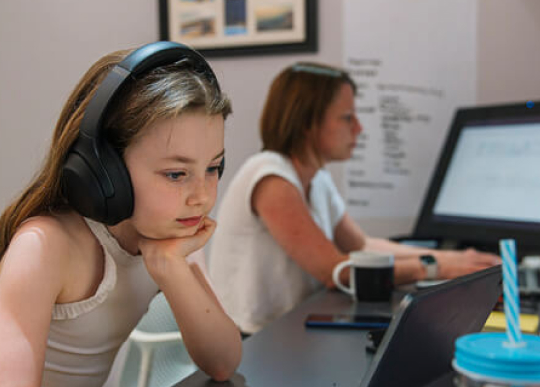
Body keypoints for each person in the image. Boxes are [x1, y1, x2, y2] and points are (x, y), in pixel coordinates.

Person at [0, 42, 253, 387]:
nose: (201, 195)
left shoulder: (170, 234)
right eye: (176, 174)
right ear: (105, 170)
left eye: (213, 167)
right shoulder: (48, 245)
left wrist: (169, 267)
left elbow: (223, 361)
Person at [209, 62, 501, 334]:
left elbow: (361, 245)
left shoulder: (317, 178)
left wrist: (454, 258)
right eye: (347, 118)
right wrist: (437, 269)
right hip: (253, 341)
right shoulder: (270, 177)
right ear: (308, 122)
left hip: (292, 329)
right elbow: (334, 270)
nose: (359, 128)